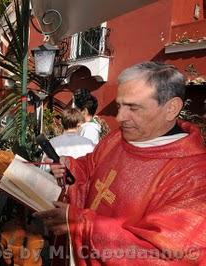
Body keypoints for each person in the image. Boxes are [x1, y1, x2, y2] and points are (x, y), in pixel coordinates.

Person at [35, 62, 206, 265]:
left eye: (133, 107)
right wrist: (68, 167)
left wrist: (83, 225)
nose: (120, 117)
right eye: (119, 106)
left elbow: (163, 256)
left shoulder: (195, 177)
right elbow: (90, 168)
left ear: (171, 108)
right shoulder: (118, 138)